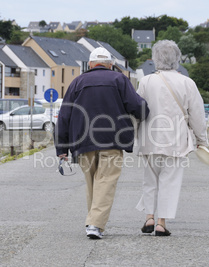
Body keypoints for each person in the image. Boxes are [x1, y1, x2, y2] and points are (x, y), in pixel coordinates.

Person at [55, 47, 149, 239]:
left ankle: (93, 222)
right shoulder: (119, 80)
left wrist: (61, 148)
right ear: (111, 65)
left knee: (92, 184)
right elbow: (137, 106)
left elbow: (64, 115)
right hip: (112, 140)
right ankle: (94, 224)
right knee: (105, 183)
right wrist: (145, 112)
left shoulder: (77, 82)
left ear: (90, 65)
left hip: (82, 142)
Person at [135, 40, 208, 236]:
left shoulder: (146, 81)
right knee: (170, 181)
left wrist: (134, 135)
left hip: (149, 139)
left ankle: (149, 217)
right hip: (176, 141)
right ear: (177, 59)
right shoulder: (187, 83)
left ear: (155, 58)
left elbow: (136, 111)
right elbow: (197, 115)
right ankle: (161, 223)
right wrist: (202, 140)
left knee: (150, 180)